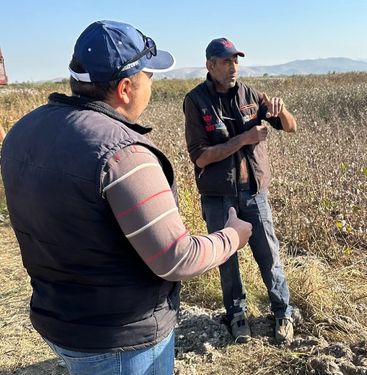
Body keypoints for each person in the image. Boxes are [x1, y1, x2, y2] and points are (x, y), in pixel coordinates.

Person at [0, 21, 252, 375]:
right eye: (149, 75)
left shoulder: (23, 131)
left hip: (59, 320)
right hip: (120, 339)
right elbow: (177, 257)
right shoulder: (123, 155)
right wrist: (232, 237)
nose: (151, 83)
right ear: (125, 87)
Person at [183, 37, 297, 344]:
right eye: (226, 61)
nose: (233, 66)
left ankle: (283, 312)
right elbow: (201, 156)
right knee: (227, 260)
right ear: (210, 65)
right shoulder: (196, 101)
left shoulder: (251, 95)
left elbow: (290, 127)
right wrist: (244, 138)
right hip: (218, 195)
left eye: (236, 60)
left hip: (253, 191)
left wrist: (280, 110)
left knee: (268, 255)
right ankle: (236, 316)